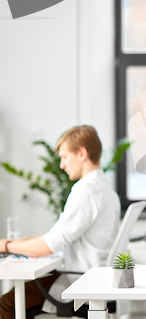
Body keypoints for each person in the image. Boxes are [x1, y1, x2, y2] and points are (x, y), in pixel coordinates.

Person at [0, 125, 120, 318]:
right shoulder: (106, 189)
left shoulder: (86, 190)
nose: (62, 165)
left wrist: (5, 245)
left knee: (7, 304)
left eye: (64, 157)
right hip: (95, 275)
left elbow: (48, 246)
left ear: (82, 153)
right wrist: (18, 244)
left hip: (80, 280)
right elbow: (55, 236)